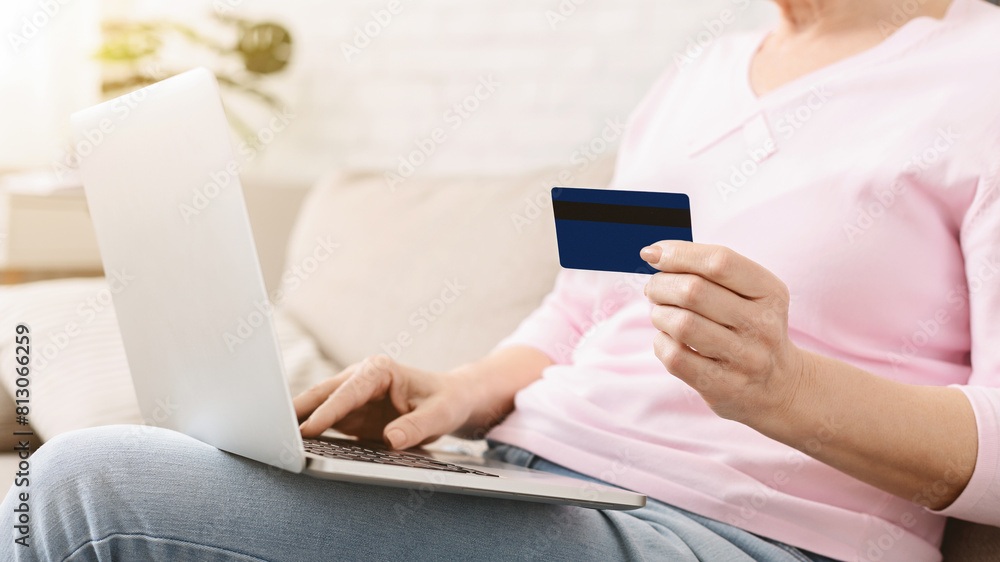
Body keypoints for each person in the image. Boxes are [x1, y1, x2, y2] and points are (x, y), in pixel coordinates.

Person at [4, 0, 999, 560]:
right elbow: (586, 305)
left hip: (734, 529)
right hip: (526, 472)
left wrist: (790, 393)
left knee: (80, 487)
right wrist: (458, 390)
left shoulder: (980, 72)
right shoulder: (698, 73)